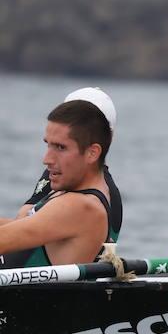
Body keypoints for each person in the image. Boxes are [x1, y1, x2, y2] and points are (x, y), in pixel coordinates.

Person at [0, 100, 118, 268]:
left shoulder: (80, 206)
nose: (46, 159)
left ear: (92, 153)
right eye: (48, 145)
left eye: (60, 147)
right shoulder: (75, 192)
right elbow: (18, 228)